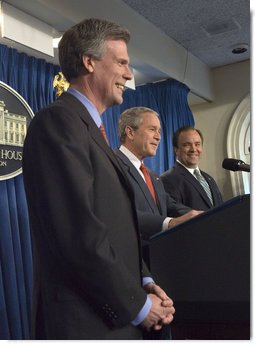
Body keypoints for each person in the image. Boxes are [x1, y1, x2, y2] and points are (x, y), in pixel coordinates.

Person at [22, 18, 175, 340]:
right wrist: (139, 306)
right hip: (86, 320)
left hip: (112, 313)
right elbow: (78, 232)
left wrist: (144, 281)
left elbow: (115, 226)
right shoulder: (57, 123)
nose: (129, 74)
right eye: (121, 62)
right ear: (89, 62)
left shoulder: (90, 131)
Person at [114, 107, 203, 241]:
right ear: (130, 132)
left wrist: (206, 216)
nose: (158, 137)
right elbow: (120, 213)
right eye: (152, 129)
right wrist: (170, 223)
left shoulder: (152, 175)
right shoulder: (113, 165)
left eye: (159, 131)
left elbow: (170, 205)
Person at [161, 126, 223, 211]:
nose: (193, 149)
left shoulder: (209, 179)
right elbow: (174, 214)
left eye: (197, 144)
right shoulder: (168, 179)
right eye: (187, 145)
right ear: (176, 150)